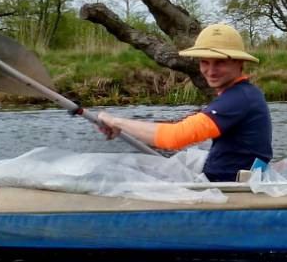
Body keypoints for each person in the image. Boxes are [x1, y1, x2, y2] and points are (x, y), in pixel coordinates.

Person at [93, 23, 272, 184]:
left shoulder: (238, 99)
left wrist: (115, 121)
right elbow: (180, 129)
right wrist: (123, 127)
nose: (210, 71)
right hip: (226, 178)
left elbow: (174, 138)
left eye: (220, 63)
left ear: (239, 63)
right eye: (204, 62)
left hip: (230, 189)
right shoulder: (244, 94)